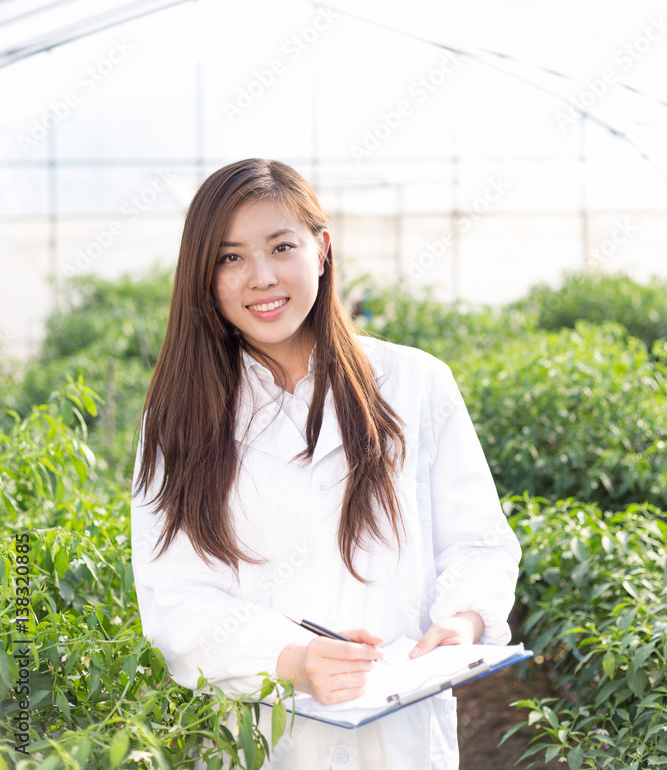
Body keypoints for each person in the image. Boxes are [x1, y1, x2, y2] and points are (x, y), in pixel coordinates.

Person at [130, 157, 521, 770]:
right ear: (203, 277)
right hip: (260, 740)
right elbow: (175, 598)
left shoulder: (415, 382)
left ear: (322, 249)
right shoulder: (178, 417)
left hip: (403, 738)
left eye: (281, 246)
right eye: (230, 257)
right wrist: (290, 660)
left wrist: (463, 621)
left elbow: (479, 543)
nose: (260, 277)